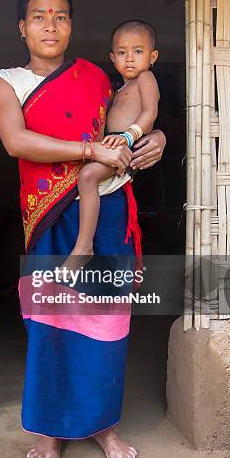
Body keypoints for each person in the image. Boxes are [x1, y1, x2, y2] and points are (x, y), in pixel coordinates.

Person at [0, 0, 166, 458]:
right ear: (22, 26)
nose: (50, 24)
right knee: (50, 322)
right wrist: (91, 152)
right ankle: (50, 429)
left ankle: (103, 425)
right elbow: (16, 140)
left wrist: (158, 136)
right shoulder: (5, 81)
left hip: (105, 212)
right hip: (47, 215)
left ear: (71, 25)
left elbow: (129, 116)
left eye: (60, 16)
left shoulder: (94, 76)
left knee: (106, 324)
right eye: (39, 16)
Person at [62, 19, 160, 274]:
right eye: (122, 52)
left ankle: (83, 247)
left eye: (138, 51)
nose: (129, 58)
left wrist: (129, 137)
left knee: (88, 176)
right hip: (115, 144)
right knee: (85, 180)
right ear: (112, 57)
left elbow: (150, 113)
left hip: (129, 144)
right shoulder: (117, 90)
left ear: (153, 56)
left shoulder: (146, 78)